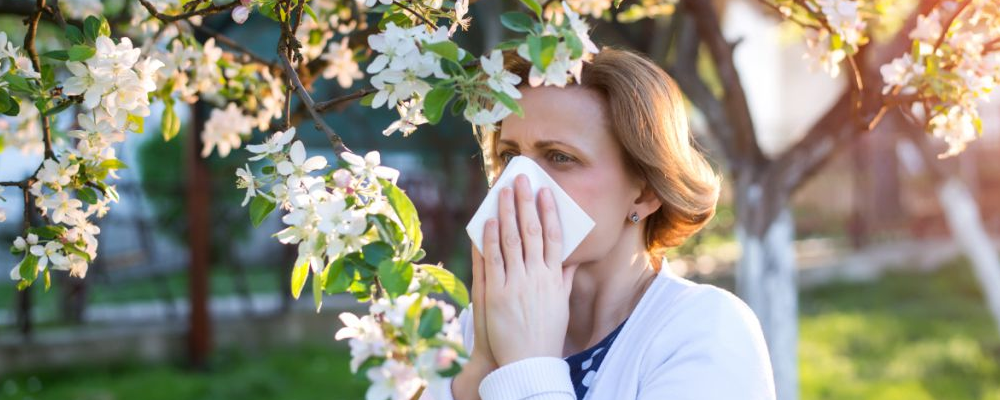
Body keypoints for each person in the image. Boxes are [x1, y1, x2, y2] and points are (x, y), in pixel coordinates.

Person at [436, 46, 776, 400]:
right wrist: (481, 368)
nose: (520, 182)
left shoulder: (706, 329)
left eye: (559, 157)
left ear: (645, 192)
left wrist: (527, 365)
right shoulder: (480, 326)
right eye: (510, 156)